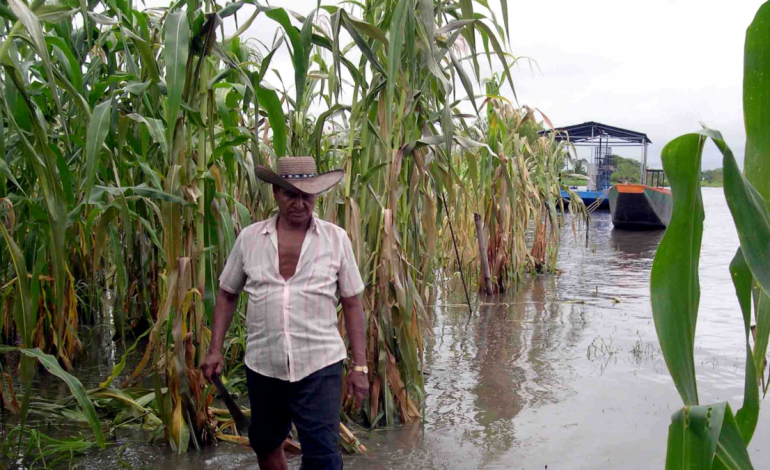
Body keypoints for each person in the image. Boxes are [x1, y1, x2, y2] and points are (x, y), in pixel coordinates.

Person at [200, 156, 369, 470]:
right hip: (265, 364)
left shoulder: (336, 239)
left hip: (320, 364)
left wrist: (360, 367)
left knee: (323, 458)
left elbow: (352, 302)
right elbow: (226, 294)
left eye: (308, 195)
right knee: (265, 445)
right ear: (276, 193)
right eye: (291, 194)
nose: (300, 203)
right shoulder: (250, 239)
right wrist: (214, 350)